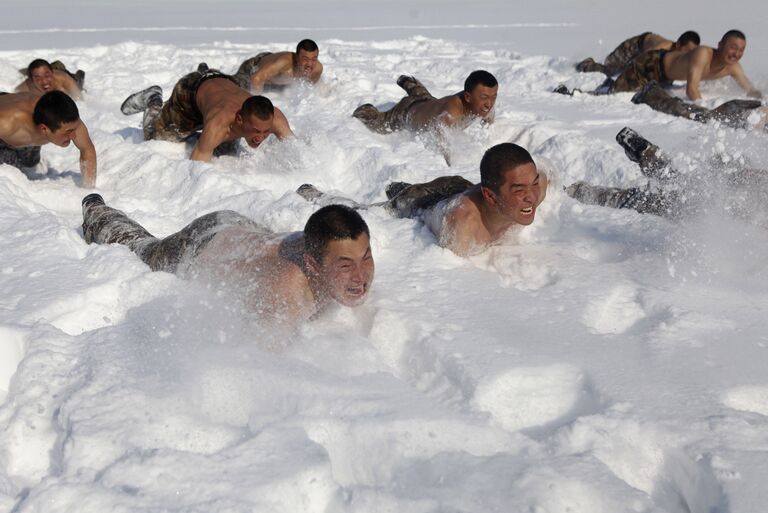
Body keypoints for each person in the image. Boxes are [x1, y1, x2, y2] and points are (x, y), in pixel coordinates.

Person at [81, 194, 375, 327]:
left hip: (248, 234)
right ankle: (95, 210)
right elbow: (260, 367)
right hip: (202, 244)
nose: (361, 277)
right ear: (312, 265)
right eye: (346, 266)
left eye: (366, 258)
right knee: (143, 249)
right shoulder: (286, 293)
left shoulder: (339, 245)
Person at [298, 143, 548, 257]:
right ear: (490, 197)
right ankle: (319, 195)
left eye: (534, 183)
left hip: (460, 186)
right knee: (376, 211)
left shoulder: (535, 189)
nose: (532, 195)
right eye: (519, 190)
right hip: (426, 202)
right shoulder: (462, 226)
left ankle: (398, 186)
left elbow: (549, 176)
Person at [566, 126, 768, 220]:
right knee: (675, 192)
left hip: (716, 201)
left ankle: (652, 158)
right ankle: (578, 192)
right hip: (720, 195)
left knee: (677, 189)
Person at [120, 65, 294, 162]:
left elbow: (296, 150)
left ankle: (205, 70)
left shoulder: (275, 118)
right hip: (190, 95)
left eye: (265, 131)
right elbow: (198, 166)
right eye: (256, 131)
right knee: (154, 136)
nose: (260, 137)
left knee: (226, 148)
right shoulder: (219, 124)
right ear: (239, 119)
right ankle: (154, 99)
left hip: (225, 82)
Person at [353, 70, 498, 165]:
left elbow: (489, 114)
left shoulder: (480, 102)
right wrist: (450, 162)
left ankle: (409, 83)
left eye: (494, 97)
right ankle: (365, 110)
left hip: (429, 103)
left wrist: (488, 120)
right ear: (467, 97)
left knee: (424, 98)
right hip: (407, 111)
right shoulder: (451, 113)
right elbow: (442, 137)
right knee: (379, 124)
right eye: (484, 98)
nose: (489, 104)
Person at [0, 90, 97, 187]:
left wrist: (88, 188)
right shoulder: (6, 124)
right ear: (44, 129)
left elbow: (86, 149)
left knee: (30, 162)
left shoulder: (66, 120)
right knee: (10, 171)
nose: (73, 136)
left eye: (74, 129)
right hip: (6, 118)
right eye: (68, 132)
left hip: (30, 129)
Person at [630, 81, 766, 130]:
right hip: (743, 113)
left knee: (698, 114)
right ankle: (651, 94)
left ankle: (653, 94)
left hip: (744, 113)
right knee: (697, 115)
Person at [576, 31, 700, 76]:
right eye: (687, 50)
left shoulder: (675, 56)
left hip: (644, 46)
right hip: (634, 46)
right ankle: (586, 64)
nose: (690, 54)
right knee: (610, 70)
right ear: (678, 44)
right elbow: (642, 61)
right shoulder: (663, 47)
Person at [232, 39, 323, 93]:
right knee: (233, 86)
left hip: (275, 81)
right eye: (305, 59)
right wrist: (257, 103)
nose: (310, 64)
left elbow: (309, 88)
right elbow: (256, 78)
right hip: (254, 67)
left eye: (314, 59)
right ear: (296, 57)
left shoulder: (317, 69)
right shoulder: (284, 63)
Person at [14, 59, 85, 99]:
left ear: (52, 73)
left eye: (47, 76)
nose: (44, 82)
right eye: (38, 78)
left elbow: (79, 99)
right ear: (31, 79)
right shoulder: (24, 89)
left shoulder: (63, 79)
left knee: (78, 84)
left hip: (61, 72)